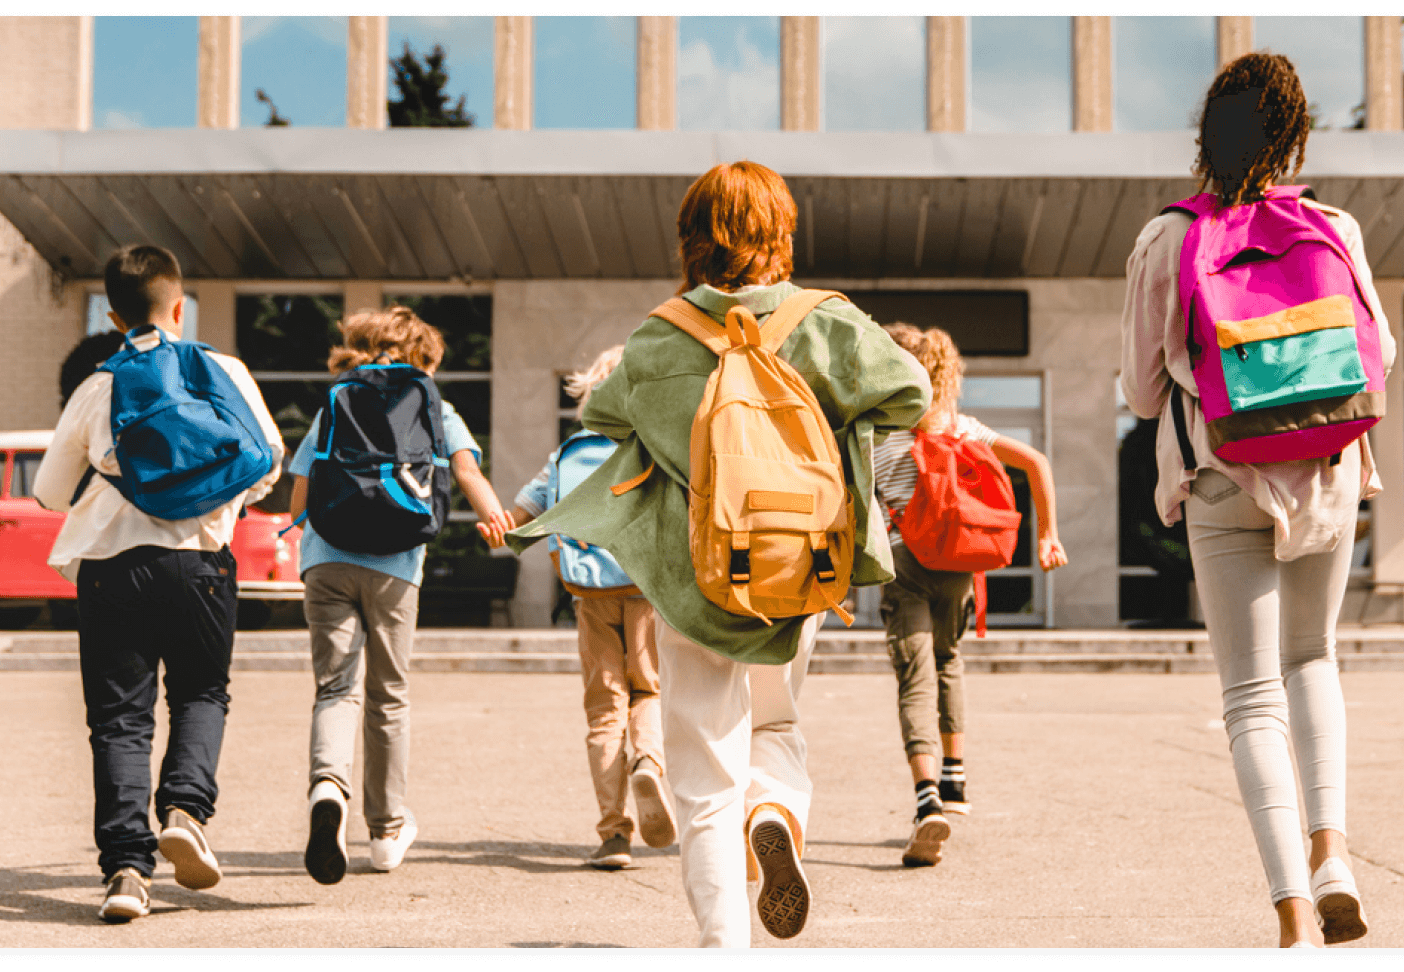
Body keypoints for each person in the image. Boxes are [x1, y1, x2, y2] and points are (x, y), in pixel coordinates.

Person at [505, 161, 930, 947]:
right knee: (777, 720)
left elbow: (603, 412)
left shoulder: (659, 335)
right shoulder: (827, 320)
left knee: (702, 768)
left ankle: (723, 935)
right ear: (782, 232)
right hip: (801, 566)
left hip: (693, 576)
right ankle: (775, 811)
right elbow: (912, 393)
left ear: (690, 238)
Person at [1118, 52, 1395, 948]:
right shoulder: (1332, 225)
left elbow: (1140, 392)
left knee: (1249, 697)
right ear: (1294, 134)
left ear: (1209, 134)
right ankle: (1334, 857)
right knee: (1313, 659)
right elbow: (1378, 356)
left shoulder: (1168, 237)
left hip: (1222, 470)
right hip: (1327, 471)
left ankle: (1290, 913)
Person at [33, 244, 286, 923]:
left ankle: (125, 872)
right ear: (181, 307)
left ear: (114, 314)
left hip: (112, 566)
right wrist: (213, 503)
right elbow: (268, 460)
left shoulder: (98, 385)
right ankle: (184, 810)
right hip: (202, 561)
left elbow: (48, 493)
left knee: (120, 719)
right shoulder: (222, 370)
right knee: (202, 691)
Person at [288, 306, 513, 885]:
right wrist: (496, 520)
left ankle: (326, 790)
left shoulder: (336, 399)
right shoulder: (436, 405)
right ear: (423, 359)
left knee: (335, 689)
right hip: (396, 565)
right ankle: (386, 832)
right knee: (388, 696)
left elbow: (299, 499)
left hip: (327, 559)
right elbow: (466, 474)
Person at [874, 324, 1068, 868]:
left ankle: (926, 797)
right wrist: (1048, 534)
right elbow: (1037, 463)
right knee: (949, 660)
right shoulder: (961, 427)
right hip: (959, 564)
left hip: (906, 563)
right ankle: (956, 779)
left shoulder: (879, 435)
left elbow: (853, 504)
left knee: (916, 675)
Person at [490, 345, 676, 872]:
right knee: (650, 691)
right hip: (646, 589)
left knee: (604, 708)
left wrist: (496, 525)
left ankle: (614, 834)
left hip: (589, 594)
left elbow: (519, 518)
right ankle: (648, 760)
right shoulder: (655, 448)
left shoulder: (567, 453)